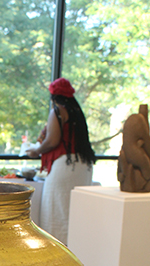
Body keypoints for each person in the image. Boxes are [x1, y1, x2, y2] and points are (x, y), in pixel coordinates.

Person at [26, 77, 95, 244]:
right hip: (83, 166)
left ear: (54, 96)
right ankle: (75, 252)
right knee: (74, 213)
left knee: (55, 211)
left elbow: (52, 140)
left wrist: (36, 151)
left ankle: (57, 254)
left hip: (65, 166)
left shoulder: (58, 111)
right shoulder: (77, 113)